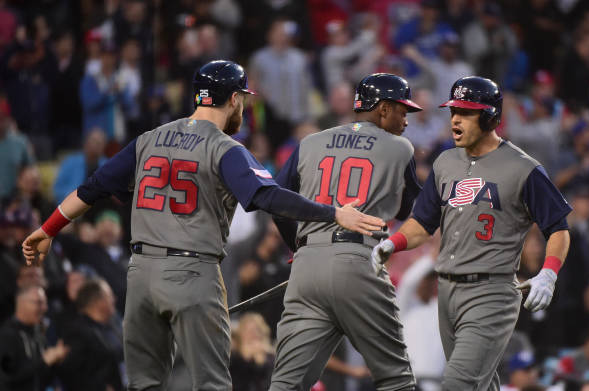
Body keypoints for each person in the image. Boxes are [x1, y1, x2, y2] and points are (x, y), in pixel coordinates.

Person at [21, 59, 384, 391]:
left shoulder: (149, 139)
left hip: (141, 274)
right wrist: (334, 213)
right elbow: (269, 198)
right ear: (233, 99)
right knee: (211, 385)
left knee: (143, 385)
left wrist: (47, 229)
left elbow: (91, 189)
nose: (243, 106)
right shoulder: (225, 148)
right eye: (242, 98)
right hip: (192, 272)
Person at [372, 76, 572, 391]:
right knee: (480, 386)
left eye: (466, 112)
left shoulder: (524, 168)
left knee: (457, 385)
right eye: (453, 110)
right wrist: (392, 244)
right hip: (447, 292)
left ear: (490, 116)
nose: (455, 118)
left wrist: (549, 272)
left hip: (491, 294)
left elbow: (558, 227)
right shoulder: (445, 162)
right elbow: (423, 224)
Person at [269, 73, 423, 390]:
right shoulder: (400, 148)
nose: (406, 120)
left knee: (287, 382)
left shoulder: (309, 142)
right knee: (397, 379)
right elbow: (408, 211)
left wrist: (297, 249)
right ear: (382, 108)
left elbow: (277, 201)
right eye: (402, 111)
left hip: (307, 265)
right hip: (358, 260)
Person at [0, 285, 69, 390]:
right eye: (39, 303)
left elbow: (41, 374)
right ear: (22, 303)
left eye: (45, 303)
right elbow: (8, 376)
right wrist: (44, 360)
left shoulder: (38, 332)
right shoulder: (7, 335)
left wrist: (56, 361)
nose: (45, 308)